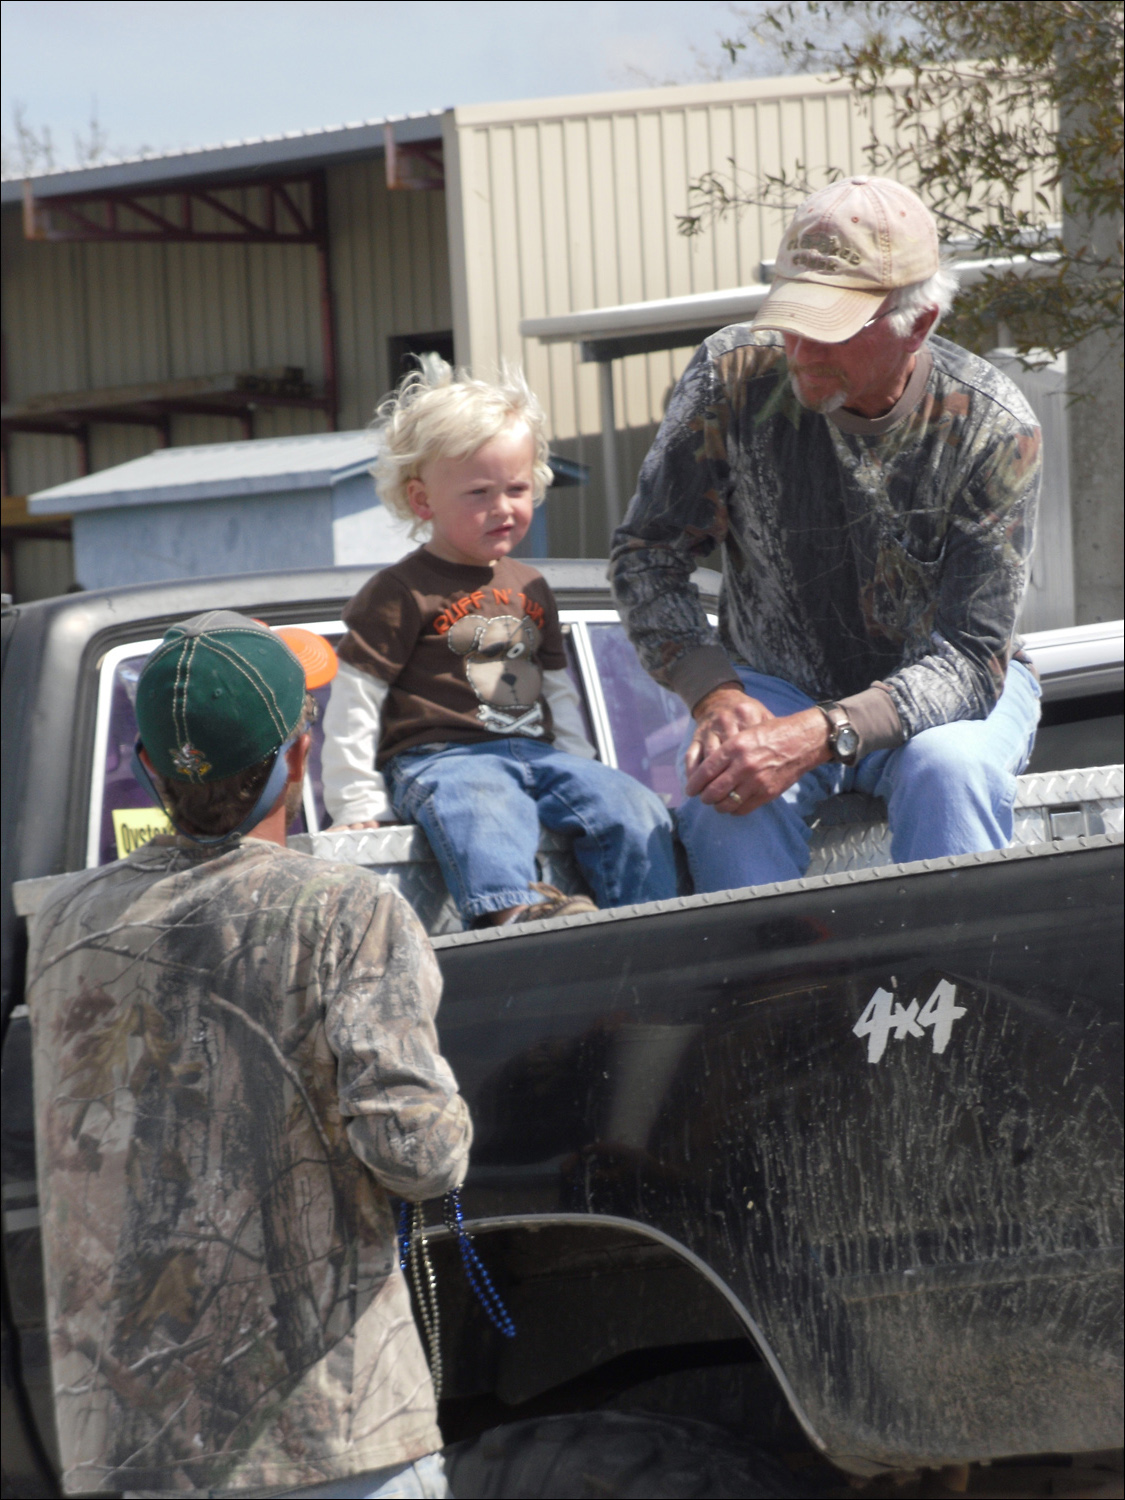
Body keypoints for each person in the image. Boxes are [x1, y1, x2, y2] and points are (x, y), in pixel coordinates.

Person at [26, 610, 470, 1500]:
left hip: (127, 1451)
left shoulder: (63, 928)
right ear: (297, 756)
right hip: (331, 1440)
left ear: (150, 771)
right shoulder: (348, 911)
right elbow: (419, 1158)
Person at [610, 175, 1043, 892]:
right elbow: (647, 556)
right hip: (772, 681)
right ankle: (769, 999)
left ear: (919, 322)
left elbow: (970, 658)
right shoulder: (732, 375)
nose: (801, 350)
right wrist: (714, 694)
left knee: (949, 772)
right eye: (791, 316)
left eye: (831, 327)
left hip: (945, 697)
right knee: (725, 798)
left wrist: (819, 733)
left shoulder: (991, 427)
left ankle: (960, 996)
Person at [322, 360, 678, 927]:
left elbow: (559, 690)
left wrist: (581, 769)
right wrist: (357, 803)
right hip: (442, 758)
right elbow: (355, 701)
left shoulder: (532, 585)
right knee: (483, 805)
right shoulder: (397, 591)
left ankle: (653, 926)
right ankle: (512, 921)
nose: (503, 507)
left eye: (517, 488)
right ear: (422, 501)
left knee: (630, 804)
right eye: (479, 492)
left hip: (537, 754)